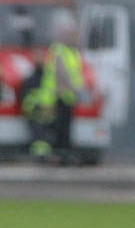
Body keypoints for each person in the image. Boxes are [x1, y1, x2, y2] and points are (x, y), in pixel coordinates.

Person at [22, 10, 88, 164]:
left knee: (63, 130)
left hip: (66, 97)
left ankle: (62, 155)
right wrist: (77, 91)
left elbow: (74, 75)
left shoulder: (71, 52)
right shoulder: (60, 50)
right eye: (73, 33)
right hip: (59, 97)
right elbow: (62, 75)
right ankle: (60, 156)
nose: (76, 36)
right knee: (60, 130)